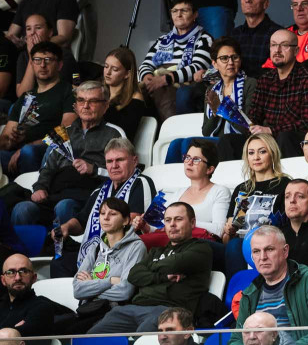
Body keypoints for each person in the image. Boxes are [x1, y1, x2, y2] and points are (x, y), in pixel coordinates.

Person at [11, 80, 122, 228]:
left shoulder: (114, 133)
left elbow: (123, 173)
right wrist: (40, 188)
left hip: (88, 199)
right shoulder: (63, 132)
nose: (86, 106)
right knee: (22, 209)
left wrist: (94, 169)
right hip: (54, 194)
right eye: (81, 100)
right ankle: (19, 251)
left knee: (64, 206)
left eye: (93, 101)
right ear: (75, 106)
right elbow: (47, 169)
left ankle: (65, 250)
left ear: (106, 106)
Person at [87, 202, 211, 334]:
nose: (172, 224)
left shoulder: (201, 249)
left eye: (178, 219)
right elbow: (134, 274)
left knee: (141, 340)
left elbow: (174, 264)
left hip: (170, 310)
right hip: (132, 308)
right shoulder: (155, 252)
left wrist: (149, 269)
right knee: (90, 338)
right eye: (168, 220)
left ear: (192, 223)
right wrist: (162, 276)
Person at [52, 138, 156, 278]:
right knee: (60, 262)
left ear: (134, 160)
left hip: (124, 253)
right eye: (109, 161)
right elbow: (81, 222)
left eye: (120, 160)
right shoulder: (100, 190)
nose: (114, 166)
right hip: (97, 250)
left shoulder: (141, 183)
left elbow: (135, 220)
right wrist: (66, 228)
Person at [248, 29, 308, 159]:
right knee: (230, 141)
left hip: (304, 141)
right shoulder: (265, 80)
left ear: (296, 51)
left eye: (284, 45)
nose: (277, 50)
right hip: (272, 140)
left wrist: (271, 131)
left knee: (285, 137)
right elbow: (254, 115)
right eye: (273, 45)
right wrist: (251, 127)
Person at [72, 197, 147, 331]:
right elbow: (77, 290)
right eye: (102, 213)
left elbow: (125, 291)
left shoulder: (136, 247)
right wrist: (110, 281)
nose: (106, 218)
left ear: (125, 220)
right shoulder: (95, 248)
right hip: (88, 310)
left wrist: (91, 286)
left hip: (114, 312)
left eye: (112, 214)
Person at [0, 40, 75, 175]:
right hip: (15, 154)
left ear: (59, 65)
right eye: (37, 60)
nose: (42, 65)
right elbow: (6, 138)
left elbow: (66, 132)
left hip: (46, 153)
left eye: (48, 60)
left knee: (28, 152)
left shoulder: (68, 92)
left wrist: (30, 146)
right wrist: (11, 139)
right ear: (32, 64)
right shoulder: (26, 97)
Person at [138, 139, 231, 245]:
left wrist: (183, 222)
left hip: (198, 245)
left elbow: (219, 230)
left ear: (209, 169)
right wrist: (145, 226)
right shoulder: (178, 193)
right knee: (136, 242)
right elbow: (162, 227)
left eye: (196, 160)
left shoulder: (220, 191)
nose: (189, 163)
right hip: (171, 241)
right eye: (187, 157)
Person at [222, 133, 289, 280]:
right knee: (233, 245)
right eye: (251, 153)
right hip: (241, 245)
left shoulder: (285, 185)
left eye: (262, 151)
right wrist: (229, 231)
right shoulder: (243, 189)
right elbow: (228, 239)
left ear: (272, 153)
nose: (256, 157)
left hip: (270, 245)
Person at [138, 0, 213, 121]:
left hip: (184, 83)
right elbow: (145, 65)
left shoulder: (204, 38)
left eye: (184, 11)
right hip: (156, 80)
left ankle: (169, 131)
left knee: (164, 91)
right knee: (133, 94)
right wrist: (147, 78)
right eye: (175, 11)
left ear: (195, 15)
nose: (179, 14)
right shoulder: (162, 40)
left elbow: (196, 67)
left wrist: (165, 79)